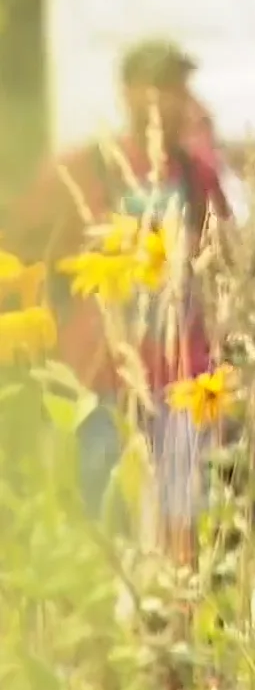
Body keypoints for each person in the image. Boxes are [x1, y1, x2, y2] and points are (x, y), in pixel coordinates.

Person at [7, 38, 230, 551]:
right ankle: (105, 624)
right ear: (128, 95)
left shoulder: (198, 176)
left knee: (186, 510)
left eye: (176, 89)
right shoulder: (87, 167)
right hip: (104, 369)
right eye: (156, 89)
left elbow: (225, 253)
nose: (168, 103)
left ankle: (180, 620)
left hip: (182, 373)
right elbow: (23, 235)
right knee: (102, 509)